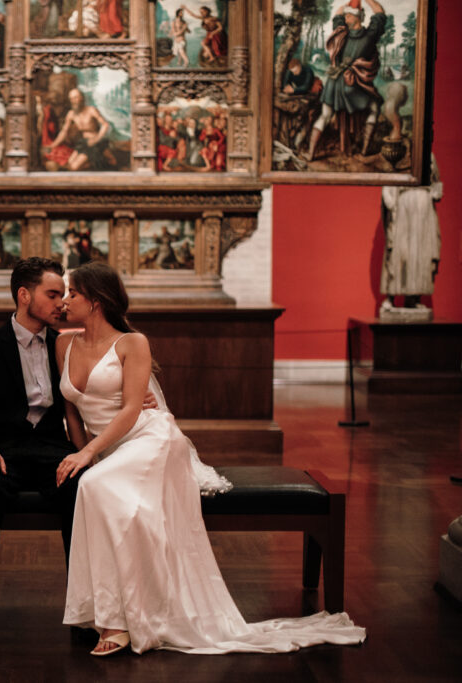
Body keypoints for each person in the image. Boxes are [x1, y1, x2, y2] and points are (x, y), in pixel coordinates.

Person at [55, 262, 367, 655]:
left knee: (93, 485)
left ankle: (118, 621)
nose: (65, 302)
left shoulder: (132, 343)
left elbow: (134, 408)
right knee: (102, 492)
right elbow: (71, 410)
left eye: (72, 294)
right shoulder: (63, 344)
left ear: (96, 302)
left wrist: (87, 455)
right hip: (109, 448)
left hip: (149, 438)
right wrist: (88, 452)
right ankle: (107, 609)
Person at [0, 257, 158, 661]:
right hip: (2, 452)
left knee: (84, 488)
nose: (61, 302)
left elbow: (90, 393)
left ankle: (88, 611)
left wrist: (136, 399)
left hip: (50, 452)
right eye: (52, 294)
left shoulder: (65, 343)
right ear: (23, 295)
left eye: (64, 294)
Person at [305, 0, 387, 161]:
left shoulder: (340, 34)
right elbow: (379, 14)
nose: (345, 17)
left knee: (325, 115)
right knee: (374, 109)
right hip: (353, 85)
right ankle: (364, 150)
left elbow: (337, 15)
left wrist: (346, 7)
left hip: (334, 84)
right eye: (346, 15)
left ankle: (310, 153)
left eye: (349, 15)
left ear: (357, 18)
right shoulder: (369, 36)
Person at [380, 156, 443, 310]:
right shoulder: (401, 152)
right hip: (403, 204)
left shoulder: (430, 155)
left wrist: (434, 191)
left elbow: (436, 182)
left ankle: (413, 298)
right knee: (400, 252)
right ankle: (390, 297)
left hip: (423, 207)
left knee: (421, 253)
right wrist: (390, 202)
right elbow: (389, 180)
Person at [47, 89, 113, 171]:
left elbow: (105, 125)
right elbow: (64, 131)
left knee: (74, 167)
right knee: (70, 162)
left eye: (76, 98)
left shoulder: (91, 110)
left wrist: (96, 139)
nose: (74, 101)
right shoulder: (71, 114)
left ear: (82, 98)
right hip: (83, 143)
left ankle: (97, 161)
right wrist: (53, 145)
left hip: (96, 143)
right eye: (71, 99)